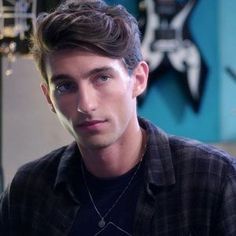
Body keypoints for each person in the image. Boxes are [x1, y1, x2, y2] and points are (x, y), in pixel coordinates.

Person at [0, 0, 236, 235]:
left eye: (102, 78)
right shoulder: (29, 191)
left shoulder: (213, 179)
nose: (86, 104)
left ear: (139, 79)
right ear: (49, 98)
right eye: (65, 86)